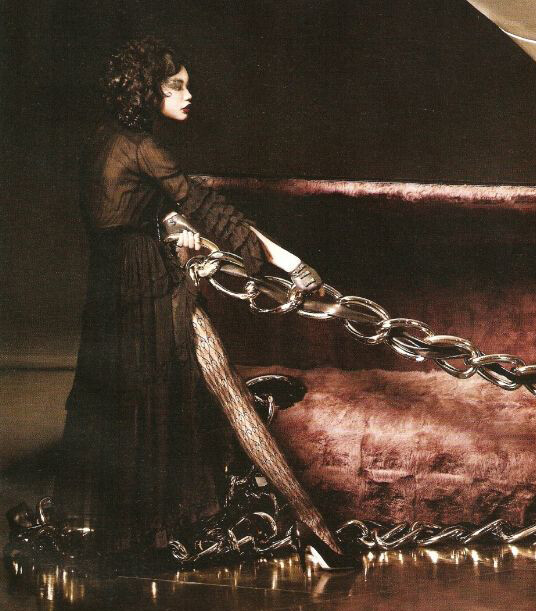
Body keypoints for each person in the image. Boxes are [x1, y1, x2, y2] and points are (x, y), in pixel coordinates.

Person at [53, 37, 349, 568]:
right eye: (177, 86)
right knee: (224, 397)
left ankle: (135, 543)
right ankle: (317, 533)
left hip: (113, 291)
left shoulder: (105, 140)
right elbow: (208, 209)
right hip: (151, 287)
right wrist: (289, 264)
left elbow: (128, 212)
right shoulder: (145, 148)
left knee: (130, 408)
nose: (189, 95)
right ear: (148, 91)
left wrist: (172, 227)